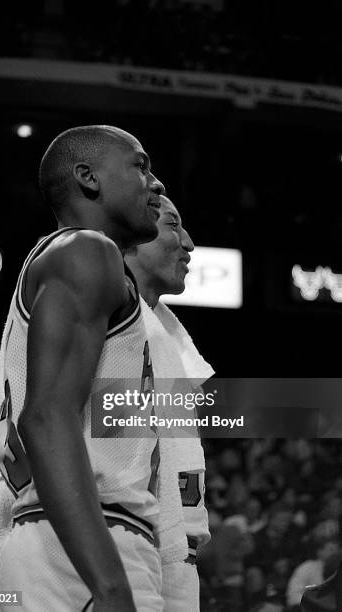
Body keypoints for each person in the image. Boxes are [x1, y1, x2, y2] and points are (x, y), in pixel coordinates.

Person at [0, 125, 166, 611]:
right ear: (88, 177)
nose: (156, 182)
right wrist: (111, 587)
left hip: (68, 540)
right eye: (140, 166)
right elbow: (45, 417)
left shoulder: (81, 260)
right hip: (83, 549)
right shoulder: (86, 250)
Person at [125, 195, 214, 611]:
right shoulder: (103, 326)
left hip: (168, 561)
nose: (189, 243)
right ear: (132, 232)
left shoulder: (163, 338)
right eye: (173, 225)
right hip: (120, 554)